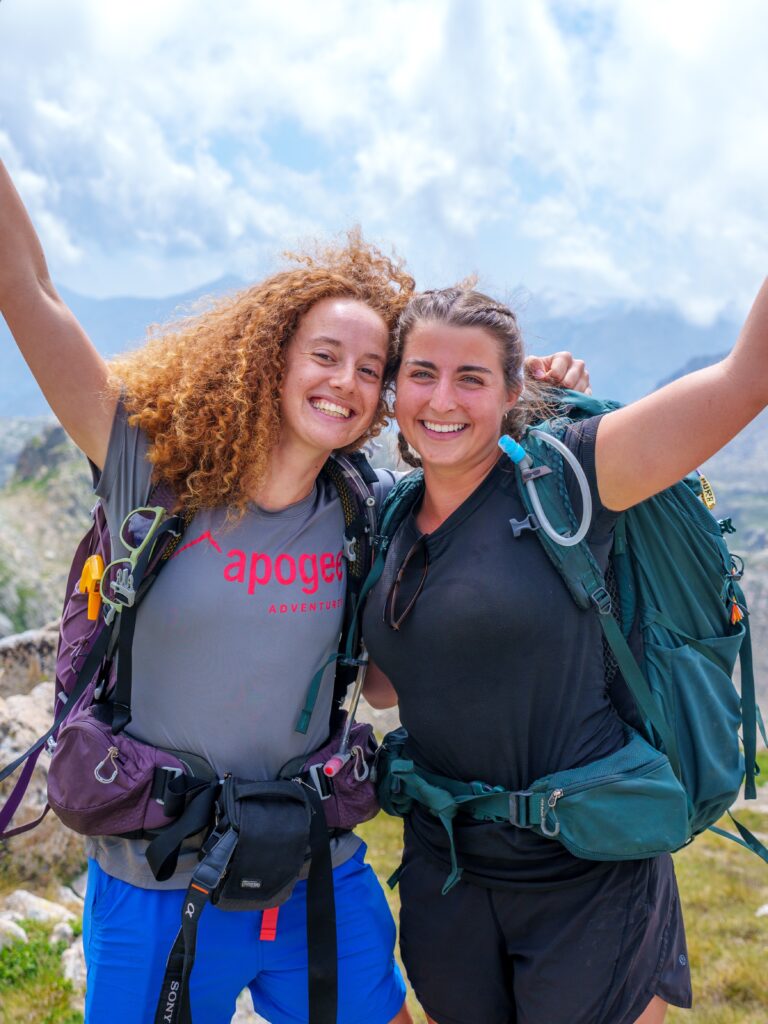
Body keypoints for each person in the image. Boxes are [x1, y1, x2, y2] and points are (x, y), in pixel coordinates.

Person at [0, 160, 586, 1023]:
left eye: (370, 368)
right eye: (324, 356)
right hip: (155, 885)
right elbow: (31, 292)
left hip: (316, 871)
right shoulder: (147, 470)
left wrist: (541, 399)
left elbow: (474, 459)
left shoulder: (369, 511)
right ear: (271, 359)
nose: (345, 382)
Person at [362, 283, 768, 1024]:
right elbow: (387, 688)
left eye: (472, 377)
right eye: (422, 373)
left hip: (589, 872)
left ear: (512, 391)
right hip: (447, 874)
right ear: (394, 390)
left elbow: (746, 379)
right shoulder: (388, 515)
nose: (442, 399)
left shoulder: (572, 475)